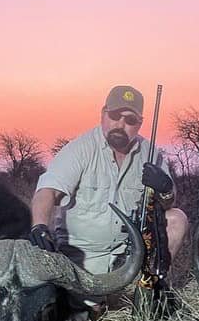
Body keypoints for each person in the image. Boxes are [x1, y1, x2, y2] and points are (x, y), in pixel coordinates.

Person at [30, 85, 188, 301]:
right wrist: (39, 226)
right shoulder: (80, 149)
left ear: (139, 124)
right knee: (87, 314)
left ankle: (151, 285)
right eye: (115, 116)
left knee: (177, 218)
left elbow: (168, 204)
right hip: (83, 257)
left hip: (131, 254)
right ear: (103, 114)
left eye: (130, 120)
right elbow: (47, 191)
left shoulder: (151, 153)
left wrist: (166, 189)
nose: (121, 124)